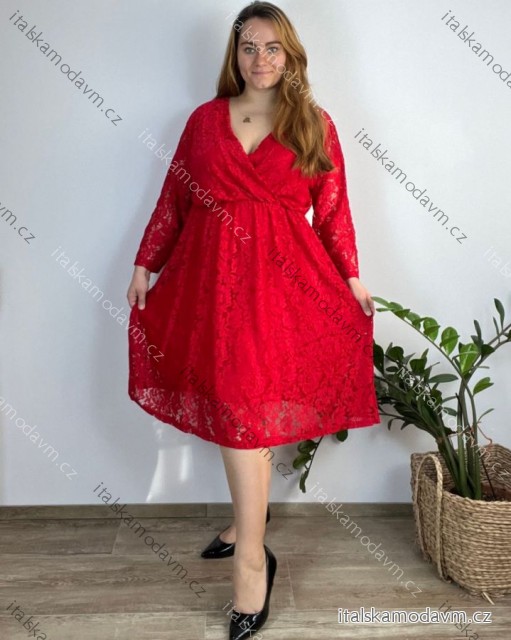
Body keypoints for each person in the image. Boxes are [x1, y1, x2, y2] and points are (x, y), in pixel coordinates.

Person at [126, 2, 380, 637]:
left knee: (245, 411)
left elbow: (334, 211)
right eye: (248, 47)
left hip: (281, 289)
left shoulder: (313, 123)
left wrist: (351, 279)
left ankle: (250, 562)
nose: (260, 59)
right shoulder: (203, 121)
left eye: (272, 48)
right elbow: (174, 199)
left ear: (290, 55)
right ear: (234, 56)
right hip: (210, 286)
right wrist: (145, 264)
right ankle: (250, 523)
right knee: (232, 405)